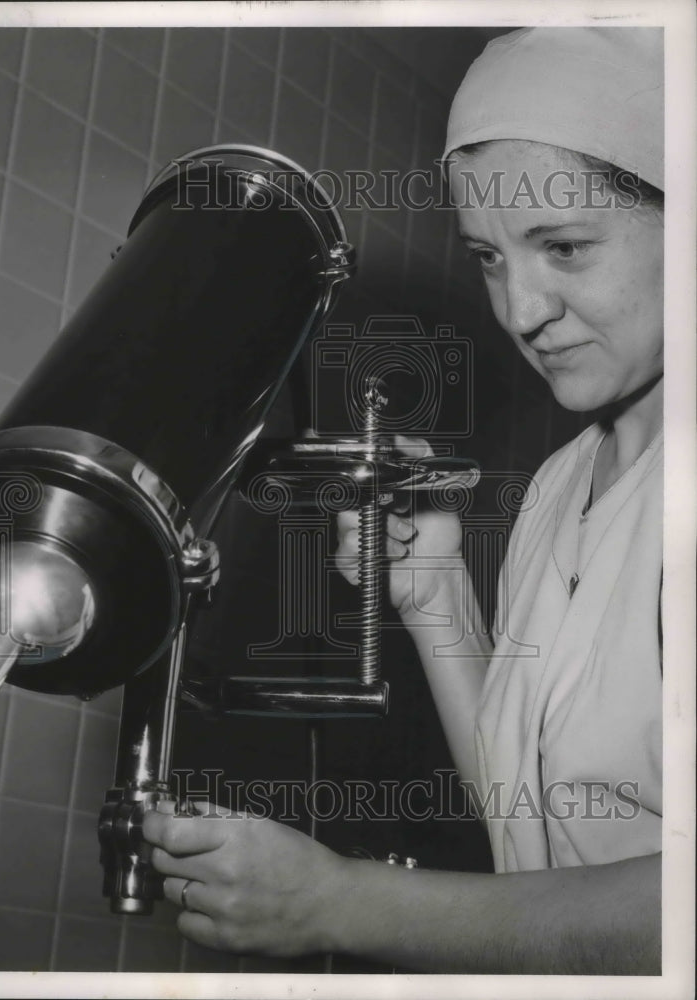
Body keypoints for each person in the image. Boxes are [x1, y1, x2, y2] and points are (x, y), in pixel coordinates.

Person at [142, 26, 664, 974]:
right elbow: (528, 826)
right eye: (489, 258)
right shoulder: (559, 485)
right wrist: (437, 597)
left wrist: (346, 903)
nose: (520, 311)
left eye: (564, 247)